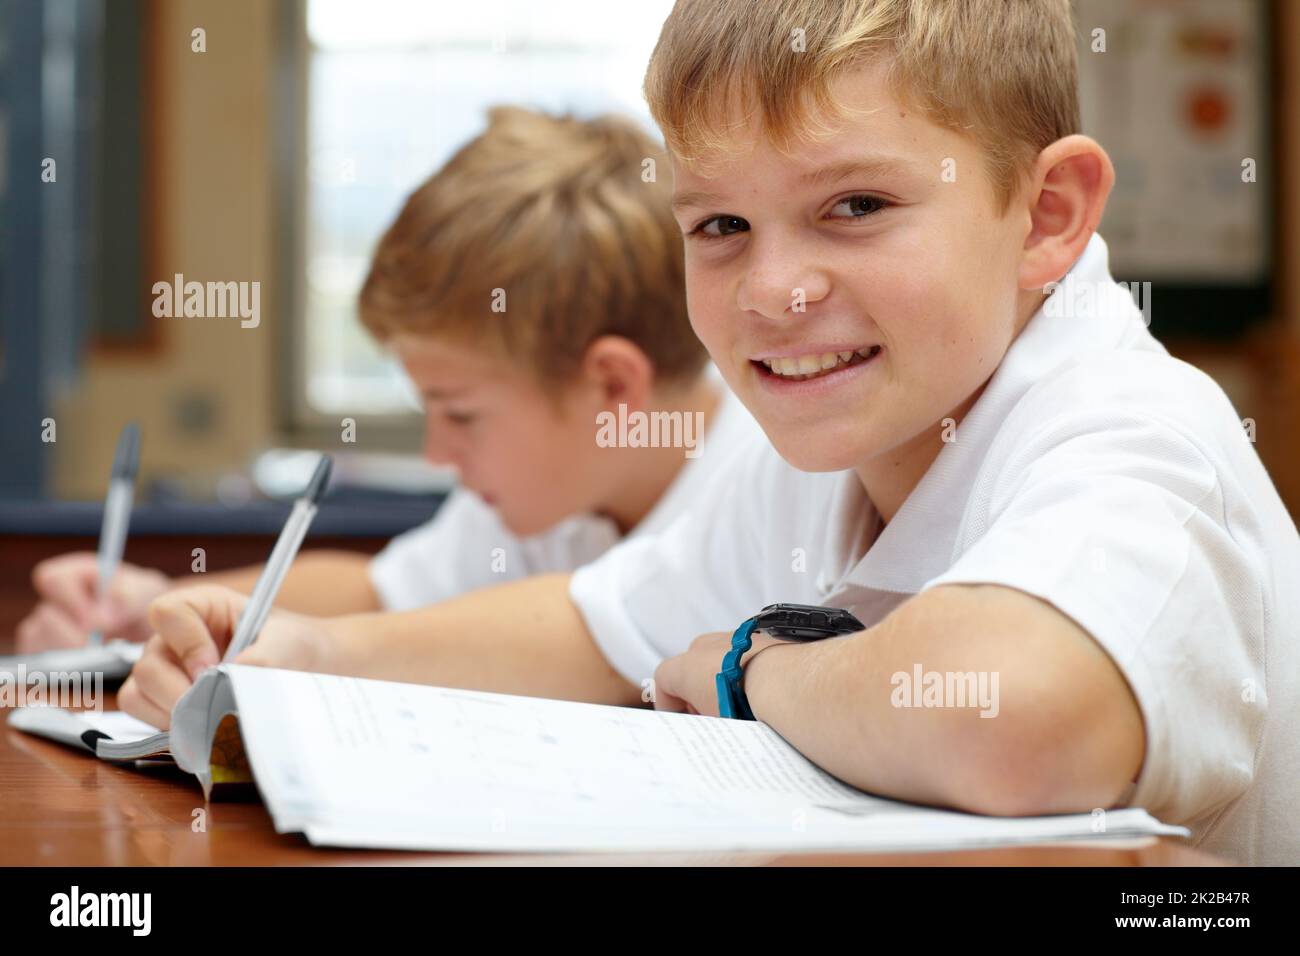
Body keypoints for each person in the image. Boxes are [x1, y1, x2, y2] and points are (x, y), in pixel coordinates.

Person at [121, 1, 1298, 865]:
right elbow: (598, 627)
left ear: (1043, 217)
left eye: (856, 207)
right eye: (722, 223)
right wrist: (312, 654)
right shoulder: (828, 435)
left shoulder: (1137, 433)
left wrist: (749, 665)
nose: (772, 290)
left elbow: (1018, 717)